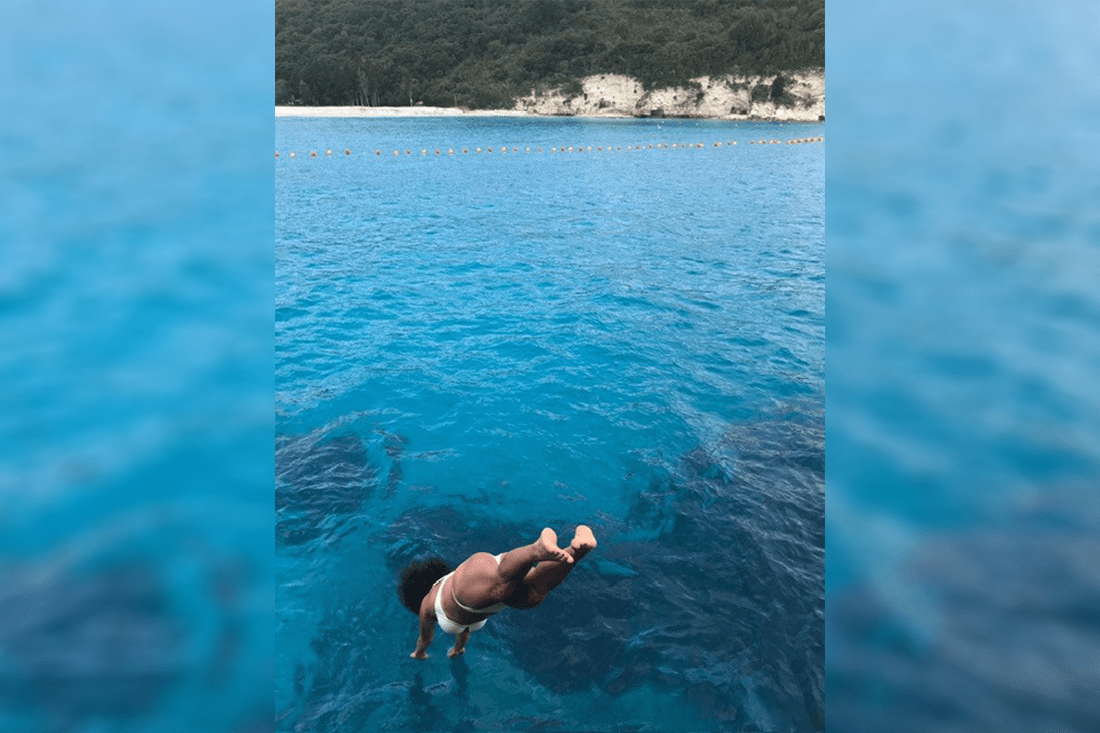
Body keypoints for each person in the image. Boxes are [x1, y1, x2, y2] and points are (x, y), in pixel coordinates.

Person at [398, 526, 597, 659]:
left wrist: (419, 653)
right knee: (536, 590)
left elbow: (425, 639)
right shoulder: (457, 613)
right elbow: (465, 632)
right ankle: (578, 549)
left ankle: (535, 550)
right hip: (493, 581)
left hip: (472, 580)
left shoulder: (428, 602)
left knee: (500, 585)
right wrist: (458, 648)